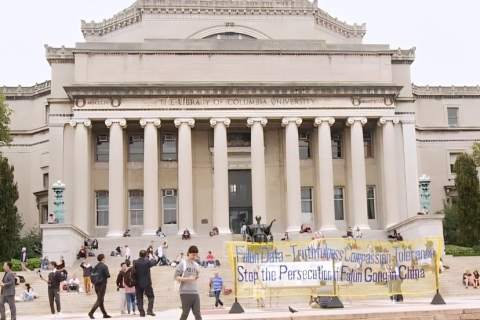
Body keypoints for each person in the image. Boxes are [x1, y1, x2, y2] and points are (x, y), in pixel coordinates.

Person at [174, 245, 202, 320]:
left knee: (198, 314)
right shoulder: (183, 264)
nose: (194, 257)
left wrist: (198, 274)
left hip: (195, 292)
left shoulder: (196, 265)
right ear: (189, 253)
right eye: (193, 255)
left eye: (196, 255)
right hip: (185, 292)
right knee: (185, 313)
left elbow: (196, 277)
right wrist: (187, 279)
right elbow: (176, 277)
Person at [88, 254, 111, 319]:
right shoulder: (104, 266)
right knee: (99, 300)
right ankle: (91, 313)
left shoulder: (95, 266)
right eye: (104, 258)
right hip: (102, 284)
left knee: (101, 300)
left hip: (96, 284)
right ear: (103, 259)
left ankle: (104, 314)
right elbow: (108, 275)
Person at [134, 250, 156, 317]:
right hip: (147, 282)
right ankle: (149, 310)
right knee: (151, 296)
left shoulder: (136, 262)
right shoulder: (147, 261)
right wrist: (151, 256)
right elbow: (154, 262)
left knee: (139, 297)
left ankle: (141, 312)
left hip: (138, 283)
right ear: (146, 254)